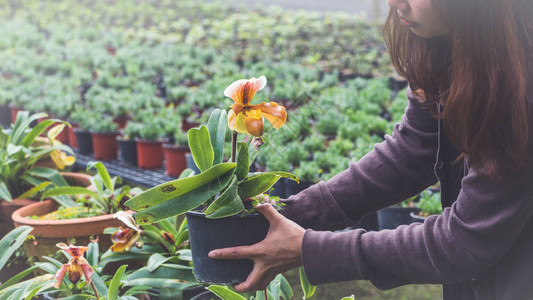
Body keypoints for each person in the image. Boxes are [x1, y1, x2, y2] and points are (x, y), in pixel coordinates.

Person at [208, 0, 533, 298]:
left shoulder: (521, 81)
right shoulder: (453, 39)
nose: (394, 3)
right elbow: (413, 150)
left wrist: (310, 249)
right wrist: (287, 213)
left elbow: (462, 243)